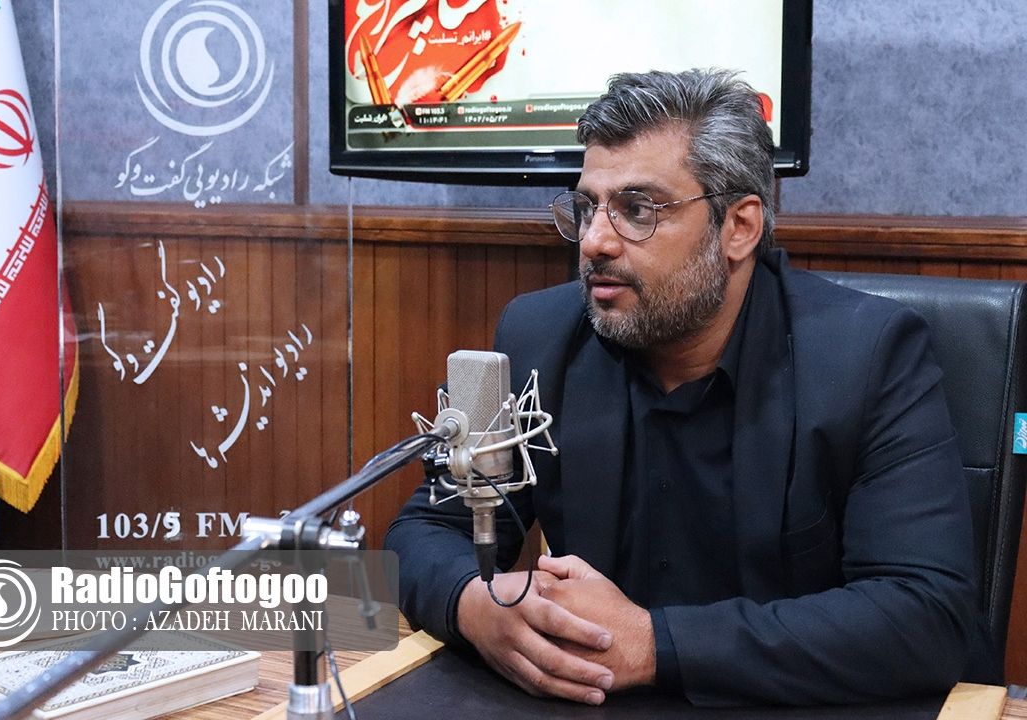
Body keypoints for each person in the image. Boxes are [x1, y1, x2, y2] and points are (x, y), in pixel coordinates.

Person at [385, 69, 977, 707]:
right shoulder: (539, 336)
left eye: (637, 210)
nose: (595, 241)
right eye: (586, 208)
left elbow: (927, 615)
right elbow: (424, 529)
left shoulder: (868, 355)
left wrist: (655, 644)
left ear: (739, 227)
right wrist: (474, 604)